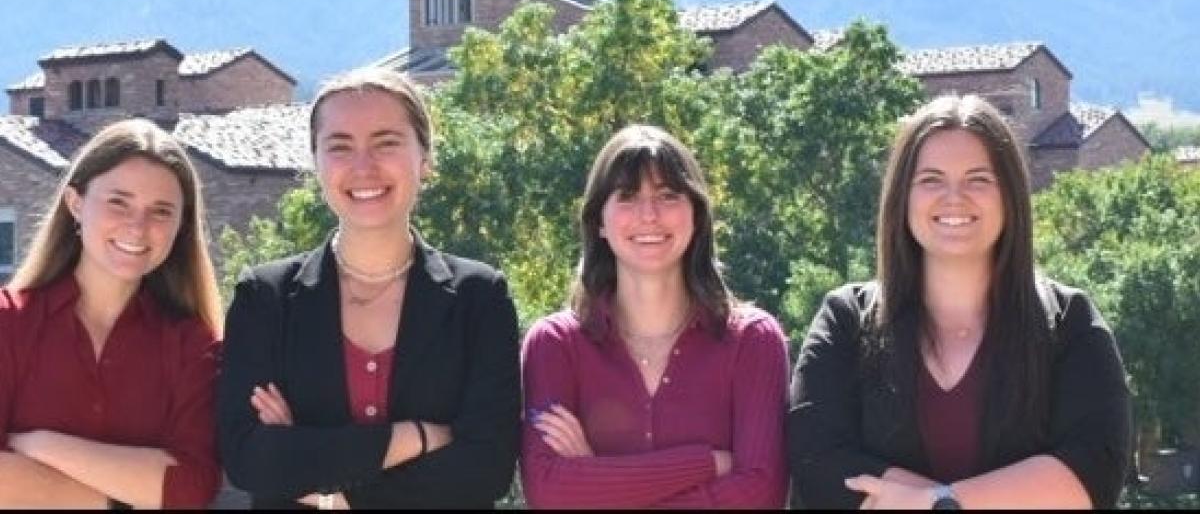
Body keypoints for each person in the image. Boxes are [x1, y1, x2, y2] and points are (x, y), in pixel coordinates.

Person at [787, 94, 1132, 509]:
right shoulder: (845, 320)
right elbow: (819, 466)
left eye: (978, 179)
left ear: (1010, 197)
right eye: (931, 179)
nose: (954, 197)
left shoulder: (1070, 322)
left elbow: (1092, 473)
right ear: (903, 197)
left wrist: (941, 502)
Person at [218, 66, 521, 509]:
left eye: (386, 143)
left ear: (425, 157)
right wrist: (416, 437)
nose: (363, 166)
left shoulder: (480, 298)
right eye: (339, 146)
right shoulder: (265, 299)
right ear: (316, 162)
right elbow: (250, 460)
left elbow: (485, 469)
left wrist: (326, 484)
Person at [520, 124, 789, 508]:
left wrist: (596, 481)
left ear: (696, 214)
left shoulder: (753, 341)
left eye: (667, 195)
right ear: (599, 220)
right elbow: (550, 492)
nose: (649, 214)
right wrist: (708, 464)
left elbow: (760, 494)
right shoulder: (555, 345)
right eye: (627, 197)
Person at [0, 119, 223, 509]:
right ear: (75, 203)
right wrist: (121, 500)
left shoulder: (193, 345)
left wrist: (40, 445)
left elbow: (193, 486)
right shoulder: (8, 323)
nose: (138, 228)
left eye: (161, 211)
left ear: (180, 227)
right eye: (118, 202)